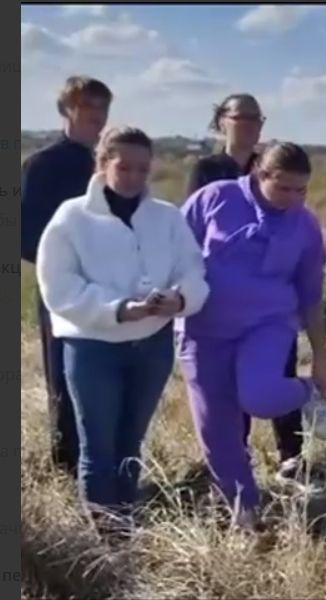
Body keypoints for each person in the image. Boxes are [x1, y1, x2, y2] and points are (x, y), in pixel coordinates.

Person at [36, 126, 209, 536]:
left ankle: (125, 527)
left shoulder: (166, 216)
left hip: (152, 347)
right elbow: (58, 287)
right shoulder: (71, 218)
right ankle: (105, 541)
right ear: (102, 163)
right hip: (93, 347)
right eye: (124, 166)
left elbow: (192, 268)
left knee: (131, 444)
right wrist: (118, 310)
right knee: (98, 447)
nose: (133, 176)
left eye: (142, 169)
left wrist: (180, 299)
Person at [178, 142, 326, 531]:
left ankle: (305, 393)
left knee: (259, 395)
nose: (294, 198)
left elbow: (310, 297)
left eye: (302, 190)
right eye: (284, 188)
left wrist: (320, 358)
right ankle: (244, 510)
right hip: (202, 330)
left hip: (268, 325)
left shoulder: (304, 225)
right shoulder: (214, 199)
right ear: (259, 174)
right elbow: (174, 254)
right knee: (217, 429)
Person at [186, 93, 306, 487]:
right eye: (242, 117)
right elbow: (195, 232)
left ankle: (292, 453)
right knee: (228, 387)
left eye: (257, 118)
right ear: (222, 120)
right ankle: (236, 460)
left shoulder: (271, 163)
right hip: (221, 305)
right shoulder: (208, 172)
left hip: (272, 298)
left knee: (277, 372)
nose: (251, 124)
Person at [21, 75, 113, 477]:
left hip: (111, 288)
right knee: (65, 377)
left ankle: (106, 463)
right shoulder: (43, 165)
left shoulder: (110, 165)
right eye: (87, 106)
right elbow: (25, 234)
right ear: (66, 110)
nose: (97, 114)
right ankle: (68, 468)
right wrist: (67, 266)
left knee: (106, 378)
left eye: (102, 107)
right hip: (63, 289)